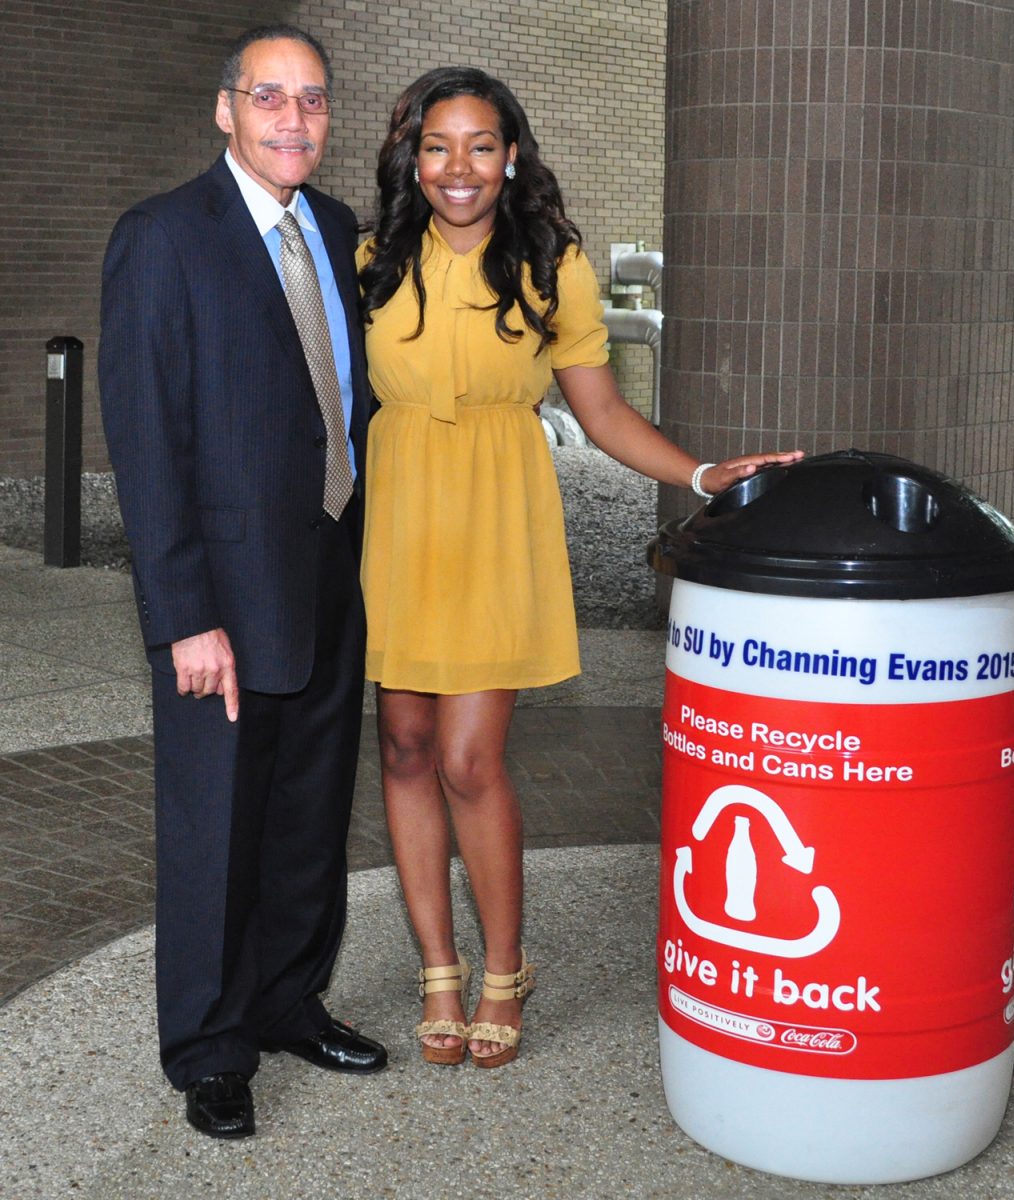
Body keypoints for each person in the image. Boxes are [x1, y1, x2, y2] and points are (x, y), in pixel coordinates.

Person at [357, 66, 803, 1069]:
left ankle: (505, 968)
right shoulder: (373, 256)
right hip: (400, 518)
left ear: (511, 155)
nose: (458, 168)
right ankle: (438, 966)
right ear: (412, 157)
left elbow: (600, 414)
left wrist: (700, 471)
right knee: (403, 746)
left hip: (494, 518)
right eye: (438, 146)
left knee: (469, 758)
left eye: (480, 145)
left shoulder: (553, 263)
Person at [98, 25, 387, 1140]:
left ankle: (287, 1000)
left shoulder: (336, 227)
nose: (292, 119)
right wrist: (184, 619)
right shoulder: (164, 237)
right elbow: (147, 443)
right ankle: (211, 1047)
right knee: (216, 821)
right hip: (218, 596)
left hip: (327, 569)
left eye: (312, 100)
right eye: (269, 97)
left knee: (311, 808)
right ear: (227, 110)